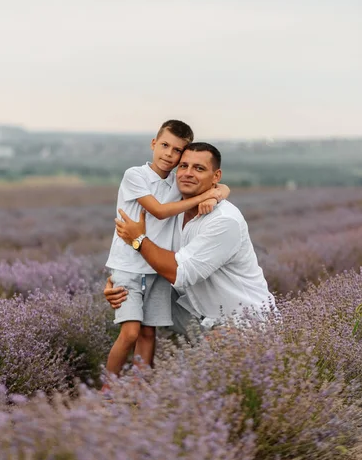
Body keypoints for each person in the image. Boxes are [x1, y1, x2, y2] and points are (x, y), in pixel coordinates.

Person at [105, 142, 277, 337]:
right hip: (199, 315)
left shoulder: (224, 221)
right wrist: (122, 283)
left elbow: (180, 272)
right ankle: (142, 366)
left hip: (246, 324)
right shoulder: (174, 211)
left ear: (216, 177)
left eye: (199, 168)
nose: (188, 173)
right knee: (136, 303)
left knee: (217, 354)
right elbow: (156, 258)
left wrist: (137, 239)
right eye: (183, 166)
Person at [103, 122, 230, 383]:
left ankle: (139, 389)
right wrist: (199, 199)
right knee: (129, 333)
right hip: (128, 264)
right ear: (153, 143)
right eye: (164, 146)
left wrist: (216, 195)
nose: (169, 155)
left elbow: (221, 186)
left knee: (149, 334)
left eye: (177, 151)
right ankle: (108, 390)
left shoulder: (177, 177)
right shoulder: (135, 175)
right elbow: (159, 211)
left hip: (157, 268)